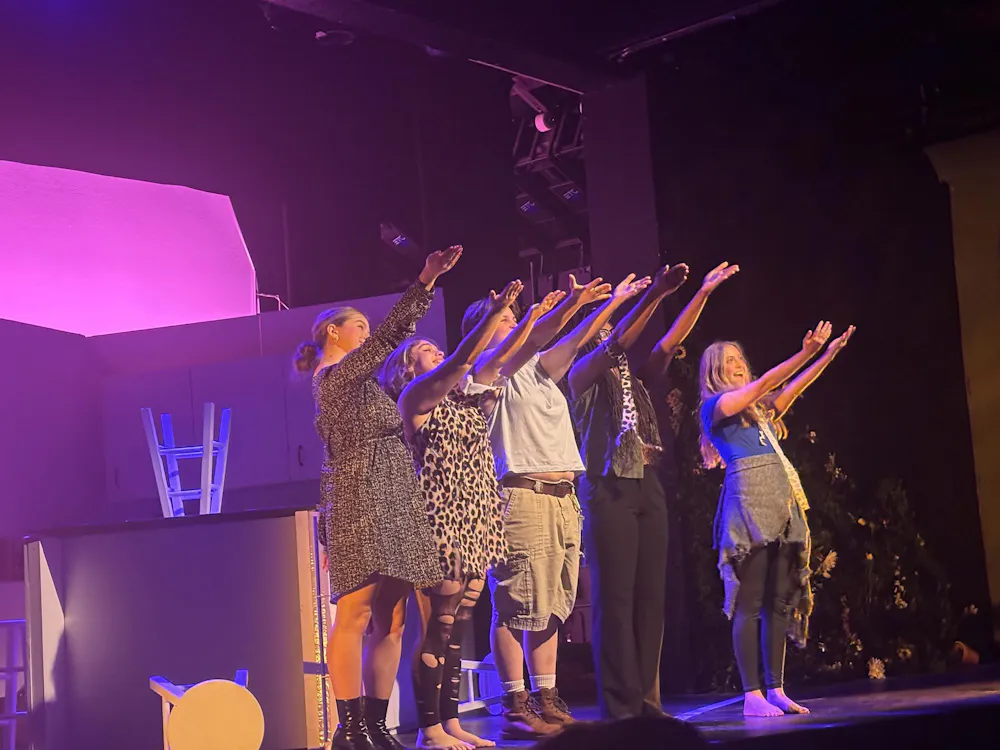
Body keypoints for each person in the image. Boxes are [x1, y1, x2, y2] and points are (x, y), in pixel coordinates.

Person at [463, 274, 649, 740]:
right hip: (520, 494)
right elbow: (537, 337)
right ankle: (514, 703)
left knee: (550, 608)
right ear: (483, 328)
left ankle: (546, 698)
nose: (516, 323)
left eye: (514, 317)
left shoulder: (541, 371)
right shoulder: (487, 368)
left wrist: (602, 305)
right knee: (515, 604)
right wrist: (560, 307)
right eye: (504, 318)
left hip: (562, 497)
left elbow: (573, 339)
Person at [293, 246, 462, 750]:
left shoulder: (365, 385)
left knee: (392, 614)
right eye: (359, 327)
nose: (367, 335)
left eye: (368, 327)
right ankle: (350, 728)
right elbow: (392, 336)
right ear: (333, 333)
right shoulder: (336, 377)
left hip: (394, 492)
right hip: (360, 493)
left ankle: (375, 721)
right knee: (358, 610)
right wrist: (426, 280)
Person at [567, 262, 739, 720]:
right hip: (608, 487)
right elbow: (616, 339)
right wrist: (655, 294)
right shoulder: (580, 374)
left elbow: (667, 344)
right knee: (616, 600)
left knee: (649, 599)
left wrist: (700, 294)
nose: (618, 348)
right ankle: (621, 708)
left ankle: (647, 701)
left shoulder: (635, 376)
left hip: (648, 483)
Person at [378, 279, 523, 750]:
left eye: (438, 350)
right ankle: (429, 728)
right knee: (438, 623)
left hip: (478, 517)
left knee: (460, 626)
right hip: (441, 521)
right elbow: (464, 360)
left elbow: (499, 359)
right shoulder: (415, 400)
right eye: (427, 352)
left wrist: (533, 315)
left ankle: (451, 720)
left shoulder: (466, 399)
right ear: (409, 368)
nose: (438, 355)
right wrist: (489, 315)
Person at [698, 321, 855, 717]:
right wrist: (805, 351)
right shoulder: (716, 408)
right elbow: (768, 380)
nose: (738, 364)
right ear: (715, 372)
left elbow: (792, 388)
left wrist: (827, 354)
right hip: (749, 502)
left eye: (739, 359)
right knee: (750, 601)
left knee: (778, 602)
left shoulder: (759, 413)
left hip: (782, 503)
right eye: (728, 361)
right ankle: (752, 694)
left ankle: (776, 688)